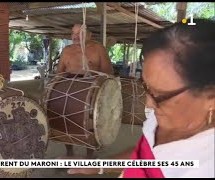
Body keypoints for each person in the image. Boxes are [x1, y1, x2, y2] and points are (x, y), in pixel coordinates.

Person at [67, 19, 215, 178]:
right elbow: (146, 155)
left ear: (211, 97)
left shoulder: (206, 167)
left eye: (159, 95)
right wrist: (100, 165)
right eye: (145, 86)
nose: (148, 104)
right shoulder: (163, 116)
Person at [56, 24, 114, 159]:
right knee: (65, 120)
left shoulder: (98, 48)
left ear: (89, 35)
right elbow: (59, 72)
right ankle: (69, 152)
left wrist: (93, 80)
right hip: (68, 89)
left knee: (90, 123)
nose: (75, 37)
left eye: (80, 33)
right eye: (73, 33)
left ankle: (89, 154)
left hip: (91, 91)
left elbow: (108, 72)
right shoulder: (66, 50)